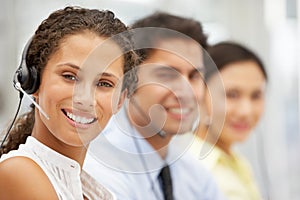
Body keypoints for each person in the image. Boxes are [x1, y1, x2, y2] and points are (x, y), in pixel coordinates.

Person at [0, 6, 138, 200]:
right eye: (70, 76)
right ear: (34, 81)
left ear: (120, 100)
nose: (85, 99)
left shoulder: (91, 190)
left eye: (104, 83)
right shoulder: (19, 172)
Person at [84, 12, 225, 200]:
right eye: (167, 75)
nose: (186, 92)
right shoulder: (99, 168)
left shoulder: (194, 174)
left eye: (194, 76)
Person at [188, 41, 267, 200]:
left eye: (255, 96)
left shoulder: (236, 161)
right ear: (200, 93)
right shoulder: (191, 171)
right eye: (232, 94)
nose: (246, 111)